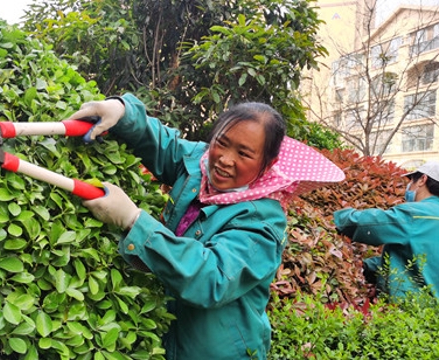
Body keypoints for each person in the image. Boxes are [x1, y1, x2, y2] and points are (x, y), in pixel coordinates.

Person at [67, 93, 343, 360]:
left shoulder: (262, 222)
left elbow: (212, 278)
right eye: (221, 143)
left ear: (267, 164)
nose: (224, 159)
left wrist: (133, 220)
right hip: (169, 334)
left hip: (216, 351)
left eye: (244, 154)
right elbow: (166, 145)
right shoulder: (200, 166)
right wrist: (123, 112)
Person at [334, 161, 439, 299]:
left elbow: (366, 224)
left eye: (411, 182)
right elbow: (417, 260)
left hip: (410, 311)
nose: (409, 187)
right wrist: (364, 266)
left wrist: (334, 218)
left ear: (422, 180)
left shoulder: (415, 214)